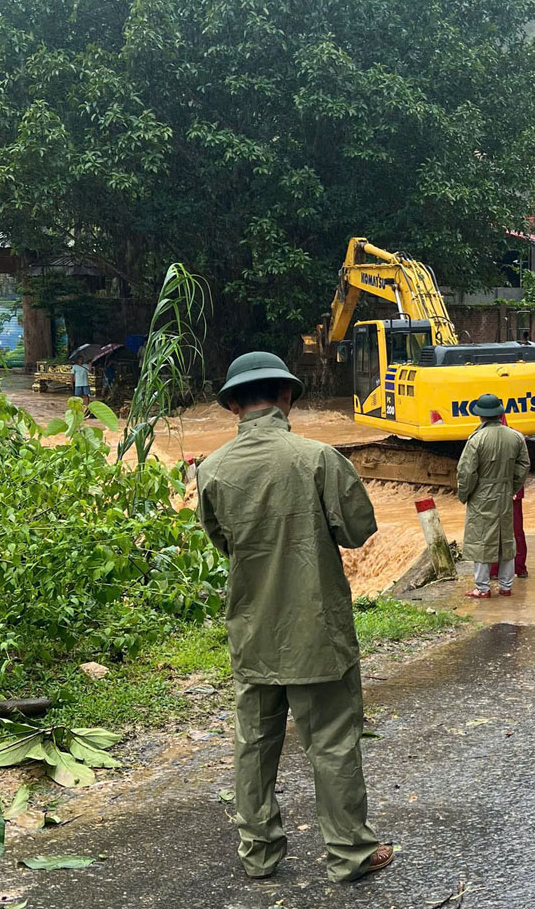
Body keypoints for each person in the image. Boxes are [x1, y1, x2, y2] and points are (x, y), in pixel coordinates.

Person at [196, 352, 392, 882]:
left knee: (254, 746)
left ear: (233, 406)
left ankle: (258, 854)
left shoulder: (211, 470)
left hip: (252, 629)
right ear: (286, 397)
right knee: (332, 743)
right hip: (316, 631)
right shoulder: (319, 458)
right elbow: (357, 531)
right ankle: (349, 853)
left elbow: (223, 543)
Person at [456, 394, 530, 599]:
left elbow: (466, 472)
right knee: (506, 538)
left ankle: (482, 587)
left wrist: (465, 494)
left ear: (480, 416)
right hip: (505, 492)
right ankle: (506, 586)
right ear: (499, 413)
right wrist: (512, 487)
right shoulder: (515, 436)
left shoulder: (476, 439)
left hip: (482, 494)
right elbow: (524, 465)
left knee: (481, 539)